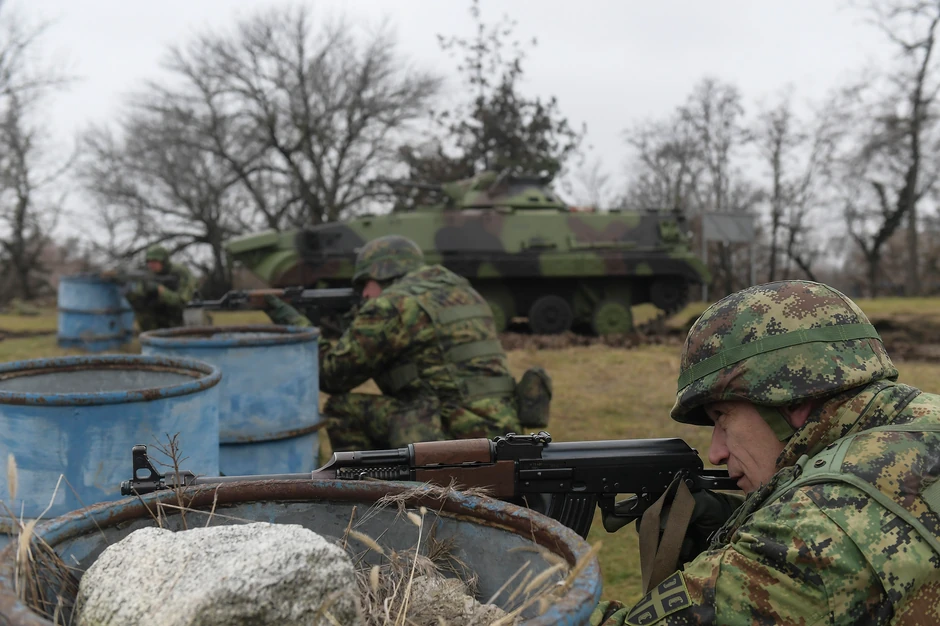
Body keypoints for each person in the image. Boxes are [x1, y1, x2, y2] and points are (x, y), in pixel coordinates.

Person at [593, 280, 940, 626]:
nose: (715, 453)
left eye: (722, 417)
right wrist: (733, 522)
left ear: (793, 400)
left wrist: (558, 576)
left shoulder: (807, 532)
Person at [266, 235, 522, 451]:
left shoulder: (393, 305)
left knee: (341, 408)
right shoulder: (463, 291)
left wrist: (295, 321)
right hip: (505, 430)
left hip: (454, 434)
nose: (364, 294)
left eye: (365, 283)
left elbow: (332, 377)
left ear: (381, 272)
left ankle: (364, 489)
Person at [125, 245, 196, 332]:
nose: (151, 265)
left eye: (155, 261)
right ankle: (151, 335)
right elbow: (140, 301)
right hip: (156, 320)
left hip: (181, 318)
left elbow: (182, 301)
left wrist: (161, 290)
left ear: (164, 261)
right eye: (149, 261)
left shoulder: (180, 272)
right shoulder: (147, 275)